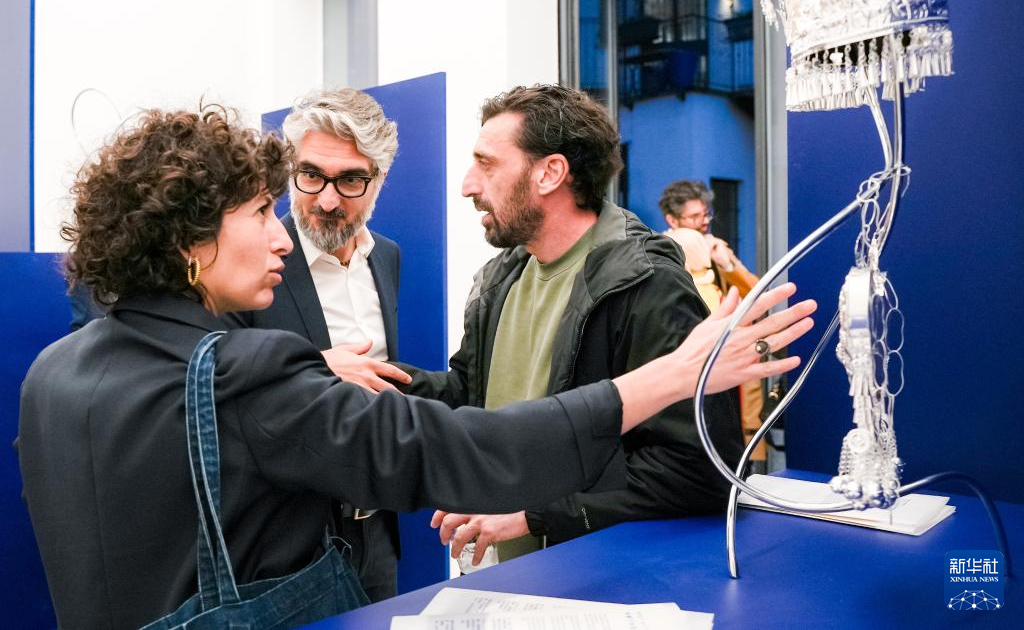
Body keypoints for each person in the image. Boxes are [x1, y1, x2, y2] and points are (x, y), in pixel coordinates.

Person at [16, 105, 815, 629]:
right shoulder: (244, 376)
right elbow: (462, 449)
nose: (284, 232)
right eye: (261, 211)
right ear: (190, 239)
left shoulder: (54, 372)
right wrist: (675, 374)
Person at [408, 85, 747, 566]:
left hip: (594, 577)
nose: (468, 185)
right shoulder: (500, 278)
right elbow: (475, 393)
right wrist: (377, 384)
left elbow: (697, 470)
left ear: (550, 173)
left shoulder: (646, 284)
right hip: (510, 572)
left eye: (487, 164)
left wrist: (536, 515)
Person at [227, 88, 410, 602]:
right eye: (310, 175)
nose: (327, 201)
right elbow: (213, 397)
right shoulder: (253, 263)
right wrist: (311, 371)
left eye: (350, 180)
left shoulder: (387, 257)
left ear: (379, 180)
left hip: (378, 532)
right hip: (290, 551)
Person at [659, 179, 767, 465]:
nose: (704, 222)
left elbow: (758, 297)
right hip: (686, 371)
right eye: (694, 217)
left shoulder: (719, 250)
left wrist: (728, 265)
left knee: (737, 454)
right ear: (672, 220)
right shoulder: (660, 255)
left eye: (706, 214)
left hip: (730, 369)